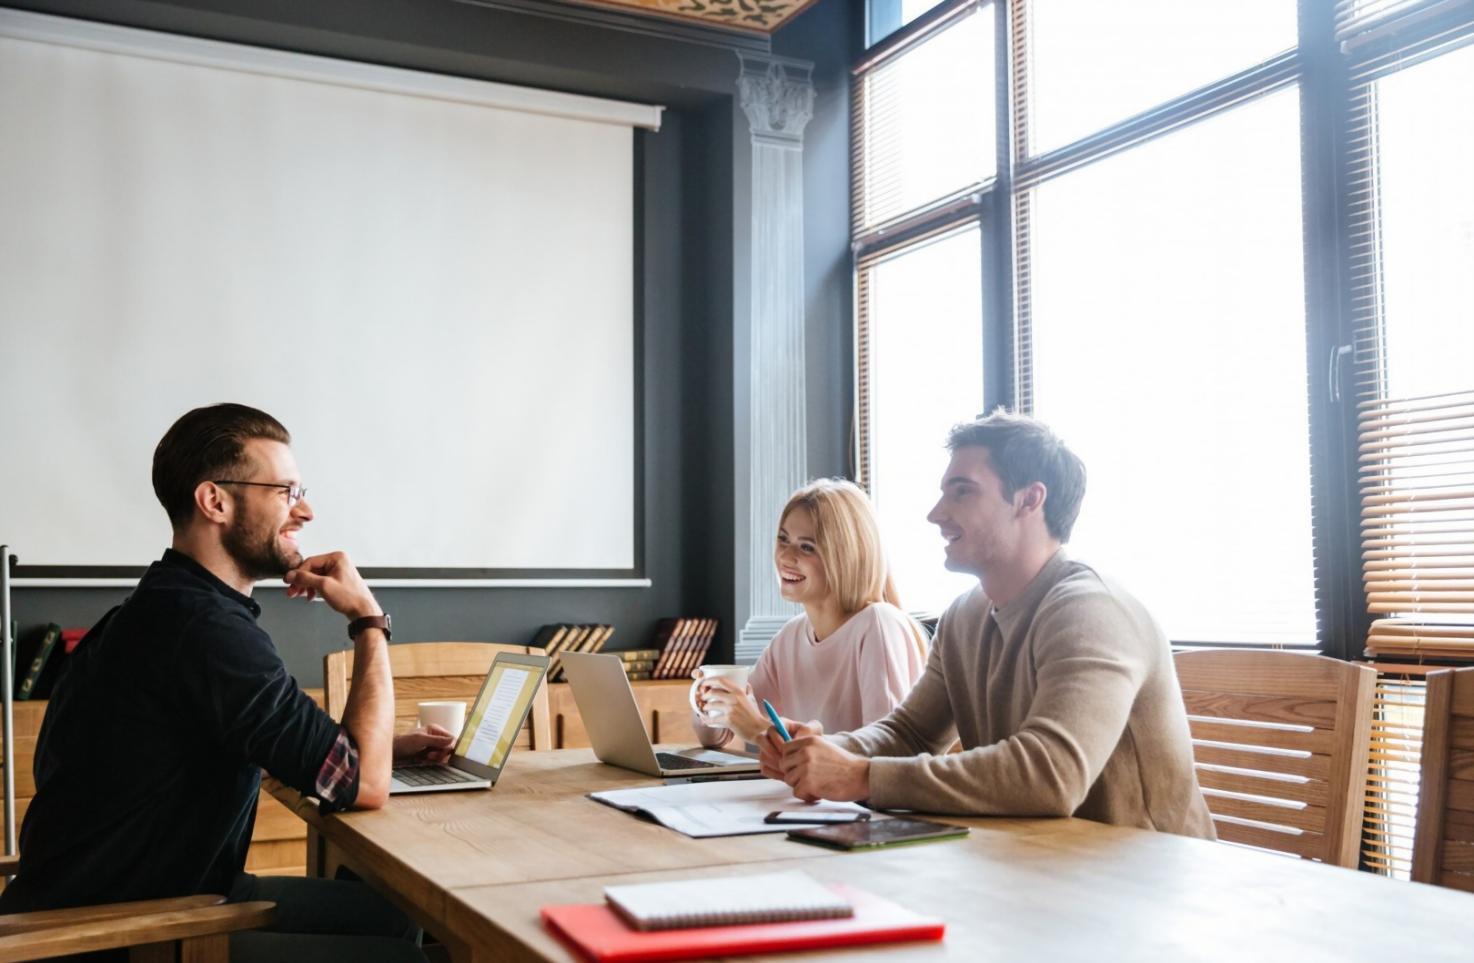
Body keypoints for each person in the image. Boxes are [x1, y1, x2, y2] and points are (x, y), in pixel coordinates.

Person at [0, 404, 453, 961]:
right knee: (401, 958)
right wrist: (367, 620)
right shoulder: (205, 629)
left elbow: (209, 744)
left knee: (394, 913)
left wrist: (376, 748)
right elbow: (364, 787)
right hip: (121, 930)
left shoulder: (169, 607)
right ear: (215, 500)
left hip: (161, 893)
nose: (305, 511)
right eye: (285, 492)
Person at [759, 411, 1215, 840]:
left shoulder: (1092, 611)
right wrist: (823, 753)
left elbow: (1050, 775)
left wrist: (859, 776)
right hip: (1040, 863)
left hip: (1146, 884)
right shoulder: (965, 615)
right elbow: (910, 734)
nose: (935, 513)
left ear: (1029, 500)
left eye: (962, 491)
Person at [695, 479, 926, 746]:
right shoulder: (791, 635)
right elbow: (719, 737)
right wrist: (708, 703)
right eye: (783, 539)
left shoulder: (878, 624)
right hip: (804, 789)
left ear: (846, 556)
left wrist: (758, 729)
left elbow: (883, 754)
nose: (785, 556)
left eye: (806, 547)